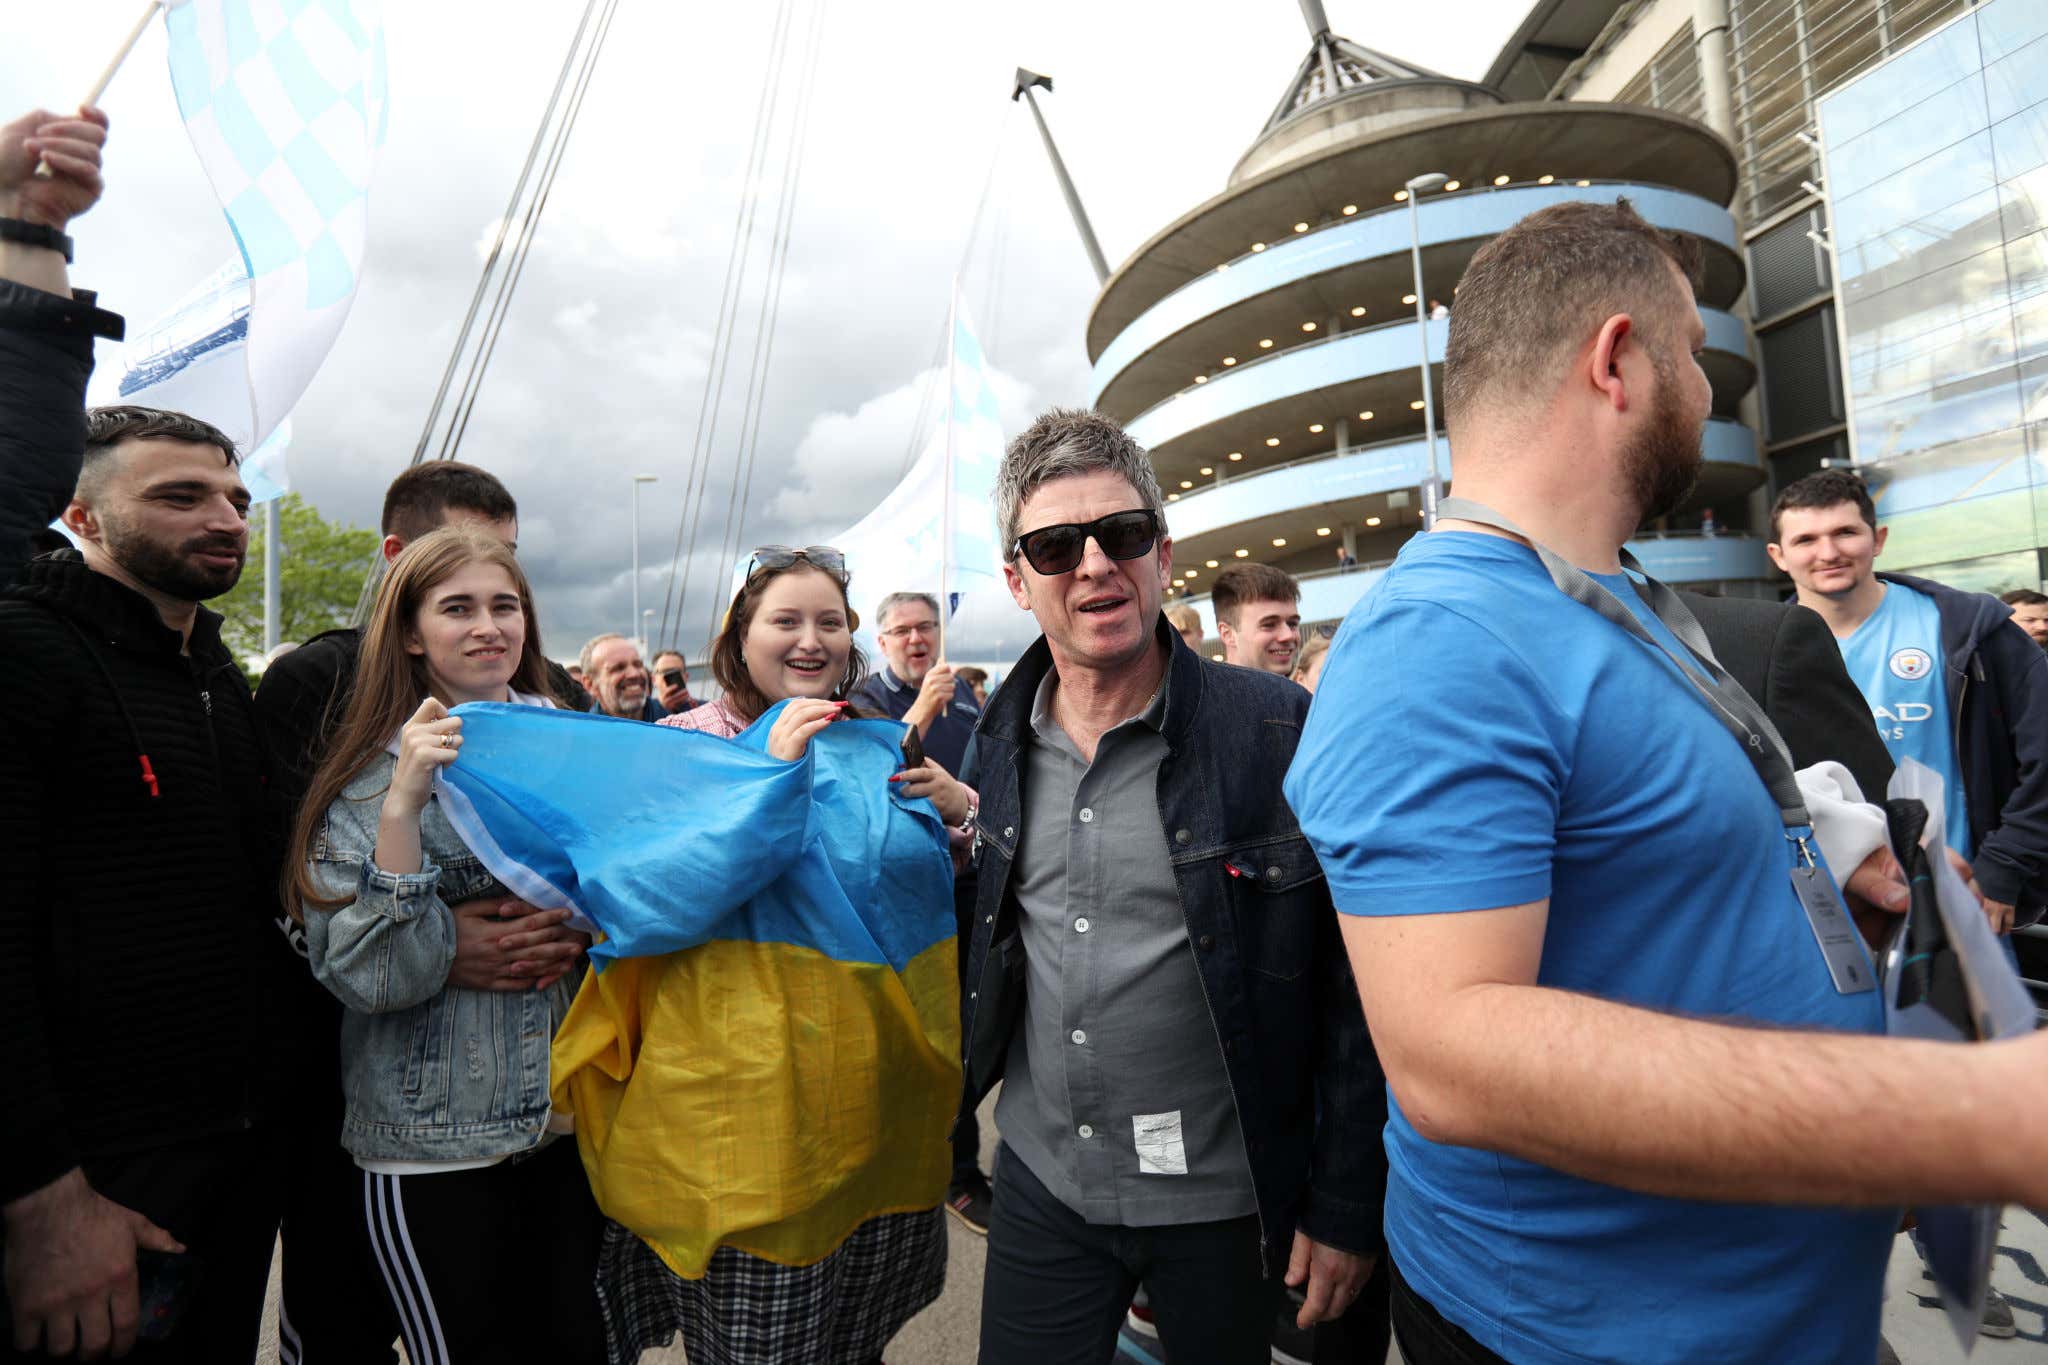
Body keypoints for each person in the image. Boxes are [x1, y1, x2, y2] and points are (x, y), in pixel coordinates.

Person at [1286, 198, 2048, 1365]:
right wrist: (1959, 1118)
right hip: (1597, 1338)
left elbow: (1634, 885)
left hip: (1780, 1313)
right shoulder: (1440, 635)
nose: (1707, 389)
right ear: (1614, 360)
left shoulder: (1623, 606)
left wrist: (1811, 869)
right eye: (1689, 353)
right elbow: (1449, 1054)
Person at [966, 408, 1388, 1365]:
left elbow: (1356, 988)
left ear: (1162, 552)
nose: (1093, 566)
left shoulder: (1278, 728)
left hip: (1227, 1205)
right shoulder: (998, 738)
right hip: (1047, 1185)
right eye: (1054, 545)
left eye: (1119, 536)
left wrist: (1347, 1201)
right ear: (1016, 577)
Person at [0, 106, 298, 1365]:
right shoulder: (26, 648)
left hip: (226, 1166)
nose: (223, 518)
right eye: (179, 496)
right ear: (81, 516)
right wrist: (41, 1199)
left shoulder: (215, 677)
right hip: (82, 1201)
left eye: (234, 495)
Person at [557, 546, 959, 1364]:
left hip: (869, 1110)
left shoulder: (873, 745)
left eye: (830, 622)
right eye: (785, 620)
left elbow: (903, 899)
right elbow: (642, 903)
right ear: (740, 637)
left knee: (855, 1343)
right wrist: (767, 781)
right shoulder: (679, 745)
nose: (811, 639)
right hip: (741, 1134)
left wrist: (959, 814)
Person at [251, 460, 588, 1365]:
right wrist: (404, 805)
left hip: (565, 1124)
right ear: (406, 631)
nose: (488, 626)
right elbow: (372, 975)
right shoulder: (365, 782)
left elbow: (639, 905)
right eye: (458, 607)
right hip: (433, 1142)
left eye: (504, 604)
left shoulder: (578, 748)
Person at [1769, 469, 2048, 935]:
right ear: (1778, 556)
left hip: (1967, 901)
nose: (1828, 552)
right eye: (1806, 539)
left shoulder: (1969, 629)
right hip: (1831, 910)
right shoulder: (1756, 654)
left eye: (1845, 532)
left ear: (1877, 539)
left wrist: (2004, 866)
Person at [845, 589, 992, 1229]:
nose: (915, 639)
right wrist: (924, 713)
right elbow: (877, 774)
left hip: (968, 883)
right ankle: (916, 1167)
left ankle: (961, 1169)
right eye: (901, 630)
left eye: (925, 627)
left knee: (965, 1033)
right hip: (903, 897)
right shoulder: (869, 702)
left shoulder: (965, 694)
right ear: (881, 642)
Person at [1678, 591, 1895, 803]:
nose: (1827, 555)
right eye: (1802, 550)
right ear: (1778, 557)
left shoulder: (1766, 637)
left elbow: (1868, 805)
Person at [1212, 562, 1301, 676]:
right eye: (1269, 625)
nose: (1288, 635)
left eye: (1292, 624)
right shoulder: (1200, 692)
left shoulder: (1308, 692)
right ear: (1227, 634)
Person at [581, 632, 664, 722]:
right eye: (618, 668)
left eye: (638, 664)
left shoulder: (675, 726)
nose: (634, 674)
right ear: (590, 684)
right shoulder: (583, 734)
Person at [651, 647, 698, 713]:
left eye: (676, 672)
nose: (671, 677)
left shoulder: (703, 709)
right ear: (654, 680)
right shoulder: (645, 713)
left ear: (686, 677)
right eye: (665, 672)